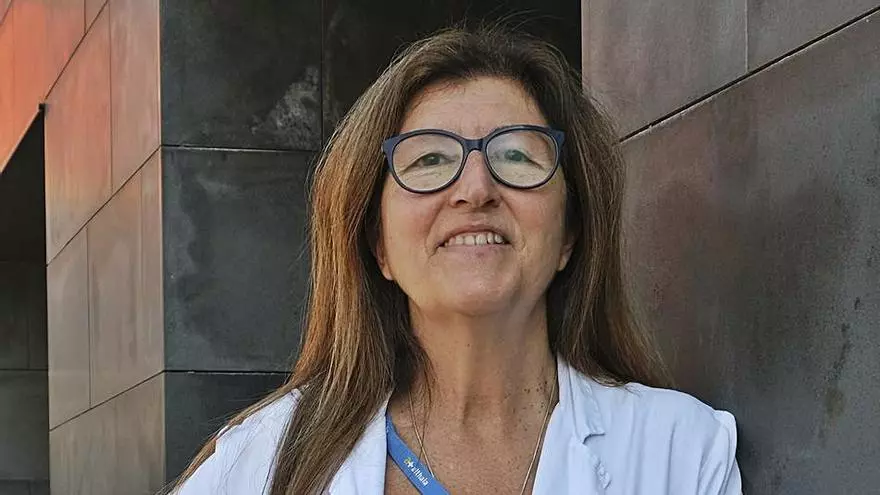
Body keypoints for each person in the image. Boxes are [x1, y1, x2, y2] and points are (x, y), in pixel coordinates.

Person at [170, 25, 742, 495]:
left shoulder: (679, 452)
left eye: (516, 156)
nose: (475, 189)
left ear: (570, 232)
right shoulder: (262, 463)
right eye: (428, 161)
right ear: (379, 245)